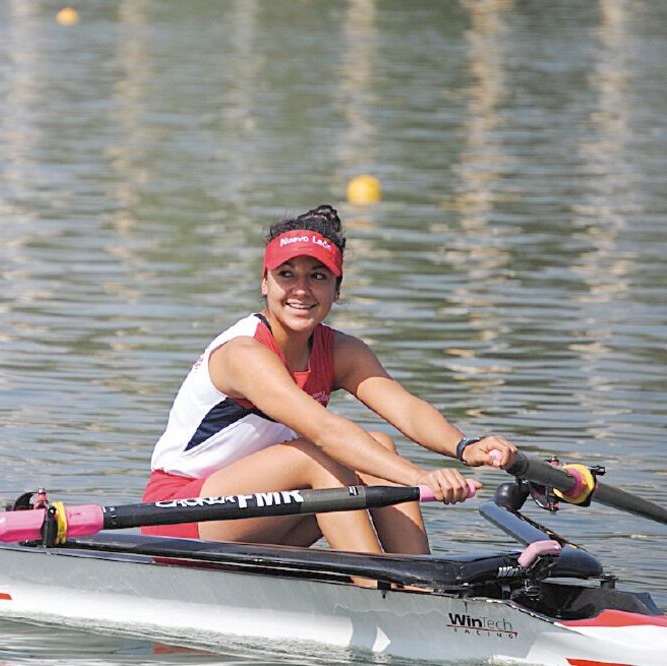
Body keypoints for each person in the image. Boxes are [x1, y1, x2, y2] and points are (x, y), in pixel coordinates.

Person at [142, 204, 516, 556]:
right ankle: (377, 587)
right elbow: (325, 432)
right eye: (286, 275)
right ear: (265, 284)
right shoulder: (244, 354)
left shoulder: (341, 351)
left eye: (317, 277)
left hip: (251, 513)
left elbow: (406, 409)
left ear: (336, 290)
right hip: (177, 515)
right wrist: (421, 477)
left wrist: (465, 447)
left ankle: (422, 585)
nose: (301, 290)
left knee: (378, 447)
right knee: (319, 456)